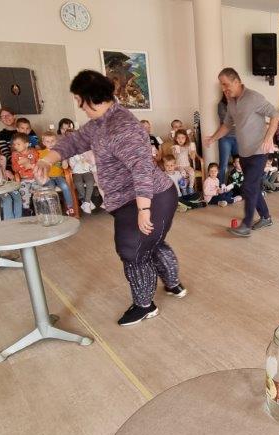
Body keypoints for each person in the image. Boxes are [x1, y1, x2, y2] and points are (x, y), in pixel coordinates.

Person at [36, 69, 187, 326]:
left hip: (151, 197)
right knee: (150, 243)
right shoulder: (99, 122)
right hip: (131, 199)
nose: (79, 107)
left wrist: (144, 210)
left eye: (79, 100)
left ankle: (145, 306)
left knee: (132, 249)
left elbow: (141, 169)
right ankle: (173, 285)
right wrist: (46, 160)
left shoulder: (122, 127)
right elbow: (75, 141)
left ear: (91, 98)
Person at [204, 67, 279, 238]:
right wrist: (213, 138)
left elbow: (275, 115)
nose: (223, 88)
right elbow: (227, 125)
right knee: (253, 187)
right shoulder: (231, 102)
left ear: (237, 81)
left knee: (248, 187)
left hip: (259, 152)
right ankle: (266, 217)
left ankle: (246, 225)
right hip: (244, 154)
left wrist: (269, 137)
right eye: (221, 85)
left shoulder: (254, 97)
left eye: (226, 84)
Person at [38, 131, 76, 215]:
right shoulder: (41, 153)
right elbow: (40, 166)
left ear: (57, 141)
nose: (50, 143)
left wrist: (64, 159)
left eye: (53, 141)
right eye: (48, 141)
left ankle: (70, 207)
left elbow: (65, 167)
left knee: (65, 186)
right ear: (44, 143)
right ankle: (52, 208)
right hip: (48, 177)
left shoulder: (60, 152)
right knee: (50, 188)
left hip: (59, 176)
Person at [9, 132, 40, 213]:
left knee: (39, 191)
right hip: (23, 179)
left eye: (18, 144)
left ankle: (40, 209)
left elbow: (39, 163)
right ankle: (27, 210)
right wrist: (19, 164)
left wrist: (30, 163)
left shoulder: (33, 152)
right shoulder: (15, 154)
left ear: (26, 144)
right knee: (24, 191)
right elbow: (14, 169)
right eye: (14, 144)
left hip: (35, 178)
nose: (15, 146)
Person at [217, 93, 240, 182]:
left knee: (239, 163)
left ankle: (237, 184)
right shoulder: (221, 105)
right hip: (225, 138)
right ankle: (221, 186)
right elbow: (226, 121)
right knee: (223, 164)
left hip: (238, 138)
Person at [68, 149, 97, 214]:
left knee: (90, 182)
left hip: (87, 171)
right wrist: (77, 160)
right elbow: (71, 165)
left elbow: (92, 163)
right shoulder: (72, 154)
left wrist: (88, 161)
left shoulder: (88, 152)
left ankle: (86, 202)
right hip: (76, 172)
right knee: (78, 183)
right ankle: (88, 202)